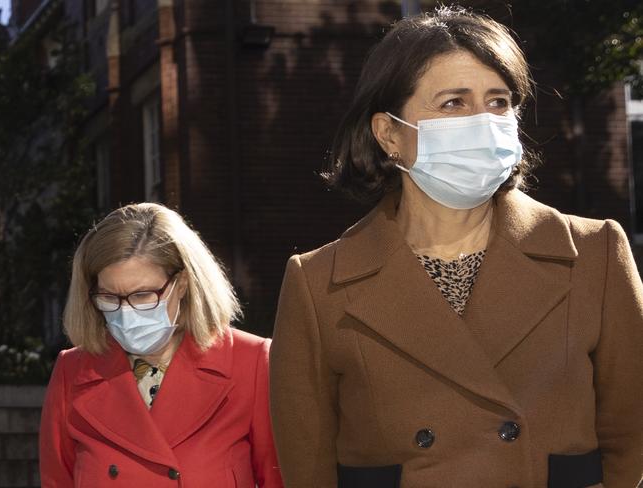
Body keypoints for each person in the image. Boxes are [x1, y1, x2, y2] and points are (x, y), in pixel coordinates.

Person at [269, 6, 643, 488]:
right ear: (389, 135)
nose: (483, 122)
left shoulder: (595, 254)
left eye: (498, 101)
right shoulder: (318, 283)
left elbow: (629, 442)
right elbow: (309, 469)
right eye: (453, 103)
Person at [40, 203, 283, 487]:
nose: (125, 312)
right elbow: (57, 480)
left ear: (181, 283)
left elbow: (278, 478)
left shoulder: (250, 362)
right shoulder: (73, 371)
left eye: (143, 295)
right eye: (109, 297)